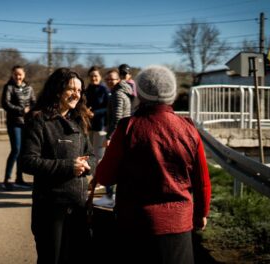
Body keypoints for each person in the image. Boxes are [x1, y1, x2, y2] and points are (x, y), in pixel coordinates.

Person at [95, 65, 211, 263]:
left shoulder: (127, 127)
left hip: (135, 225)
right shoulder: (189, 128)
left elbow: (106, 177)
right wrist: (201, 213)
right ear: (172, 93)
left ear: (139, 93)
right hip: (179, 225)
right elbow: (202, 180)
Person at [21, 68, 96, 264]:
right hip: (51, 209)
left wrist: (88, 164)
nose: (76, 94)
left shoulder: (78, 120)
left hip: (78, 208)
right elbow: (27, 161)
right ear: (57, 89)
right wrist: (68, 166)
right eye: (71, 89)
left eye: (79, 91)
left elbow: (93, 156)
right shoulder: (39, 120)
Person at [92, 69, 133, 208]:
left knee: (110, 164)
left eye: (112, 79)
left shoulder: (117, 94)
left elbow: (117, 118)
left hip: (117, 135)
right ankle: (111, 196)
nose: (109, 82)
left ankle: (110, 197)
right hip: (122, 134)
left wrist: (110, 137)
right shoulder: (121, 92)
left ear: (118, 80)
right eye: (107, 79)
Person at [1, 65, 36, 190]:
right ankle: (7, 179)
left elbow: (34, 102)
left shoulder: (29, 88)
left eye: (20, 74)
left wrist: (32, 111)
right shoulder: (9, 87)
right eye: (15, 74)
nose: (18, 77)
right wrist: (22, 110)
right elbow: (5, 103)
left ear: (24, 75)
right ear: (12, 74)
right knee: (15, 149)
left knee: (23, 152)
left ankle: (19, 179)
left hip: (26, 123)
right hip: (14, 123)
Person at [85, 66, 110, 164]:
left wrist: (94, 113)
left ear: (100, 77)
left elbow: (108, 108)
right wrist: (85, 111)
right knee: (89, 153)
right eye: (91, 76)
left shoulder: (104, 90)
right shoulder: (86, 90)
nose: (93, 78)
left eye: (95, 76)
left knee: (99, 155)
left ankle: (99, 177)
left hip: (100, 125)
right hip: (88, 125)